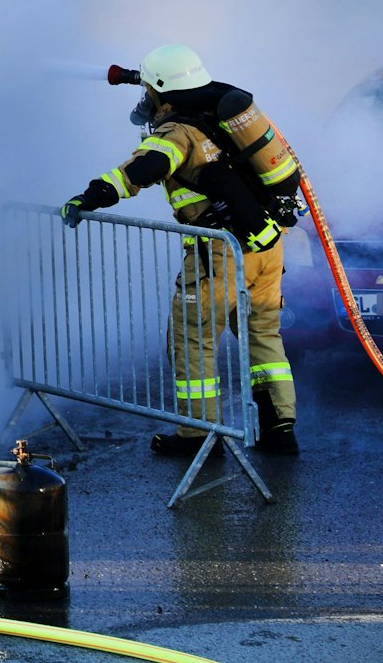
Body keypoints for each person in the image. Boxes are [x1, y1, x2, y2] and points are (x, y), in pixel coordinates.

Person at [59, 44, 300, 456]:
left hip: (219, 254)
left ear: (160, 89)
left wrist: (90, 196)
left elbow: (143, 169)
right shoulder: (222, 111)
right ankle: (280, 429)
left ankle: (198, 436)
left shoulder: (178, 132)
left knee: (193, 339)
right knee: (262, 335)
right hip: (267, 242)